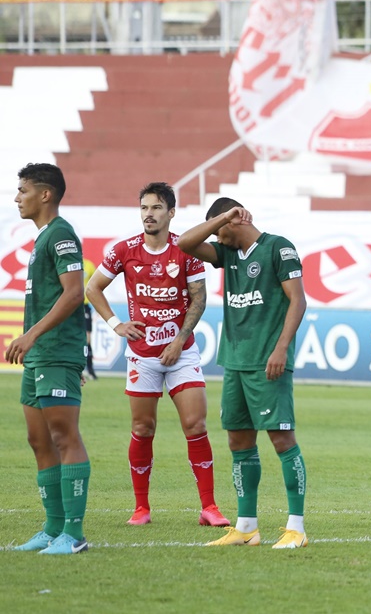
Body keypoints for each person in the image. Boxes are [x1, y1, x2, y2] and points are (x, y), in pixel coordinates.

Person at [86, 182, 230, 528]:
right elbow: (93, 288)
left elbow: (199, 299)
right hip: (142, 355)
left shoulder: (186, 249)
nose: (148, 215)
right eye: (144, 208)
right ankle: (141, 508)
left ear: (171, 212)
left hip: (181, 352)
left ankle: (209, 507)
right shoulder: (124, 250)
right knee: (142, 427)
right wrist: (116, 324)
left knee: (195, 425)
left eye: (156, 208)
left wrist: (179, 340)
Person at [178, 198, 310, 549]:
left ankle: (296, 527)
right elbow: (185, 243)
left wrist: (281, 348)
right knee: (238, 442)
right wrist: (222, 218)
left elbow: (298, 300)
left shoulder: (278, 248)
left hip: (268, 362)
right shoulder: (228, 254)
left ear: (236, 222)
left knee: (282, 440)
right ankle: (247, 527)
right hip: (234, 362)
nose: (217, 239)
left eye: (220, 231)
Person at [7, 163, 91, 555]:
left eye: (23, 190)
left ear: (45, 194)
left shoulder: (61, 234)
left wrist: (32, 334)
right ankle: (52, 527)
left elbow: (74, 293)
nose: (17, 198)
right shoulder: (44, 238)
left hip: (55, 350)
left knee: (63, 436)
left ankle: (74, 535)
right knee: (38, 439)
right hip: (40, 355)